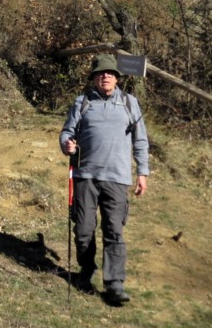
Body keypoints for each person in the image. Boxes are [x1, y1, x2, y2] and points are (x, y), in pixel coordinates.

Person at [59, 53, 149, 306]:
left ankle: (114, 284)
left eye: (110, 73)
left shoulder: (130, 103)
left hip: (117, 179)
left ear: (117, 78)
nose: (105, 76)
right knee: (83, 230)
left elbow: (140, 140)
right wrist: (66, 144)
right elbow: (67, 132)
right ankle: (86, 270)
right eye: (100, 73)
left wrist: (142, 172)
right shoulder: (82, 102)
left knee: (114, 231)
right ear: (94, 78)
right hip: (85, 176)